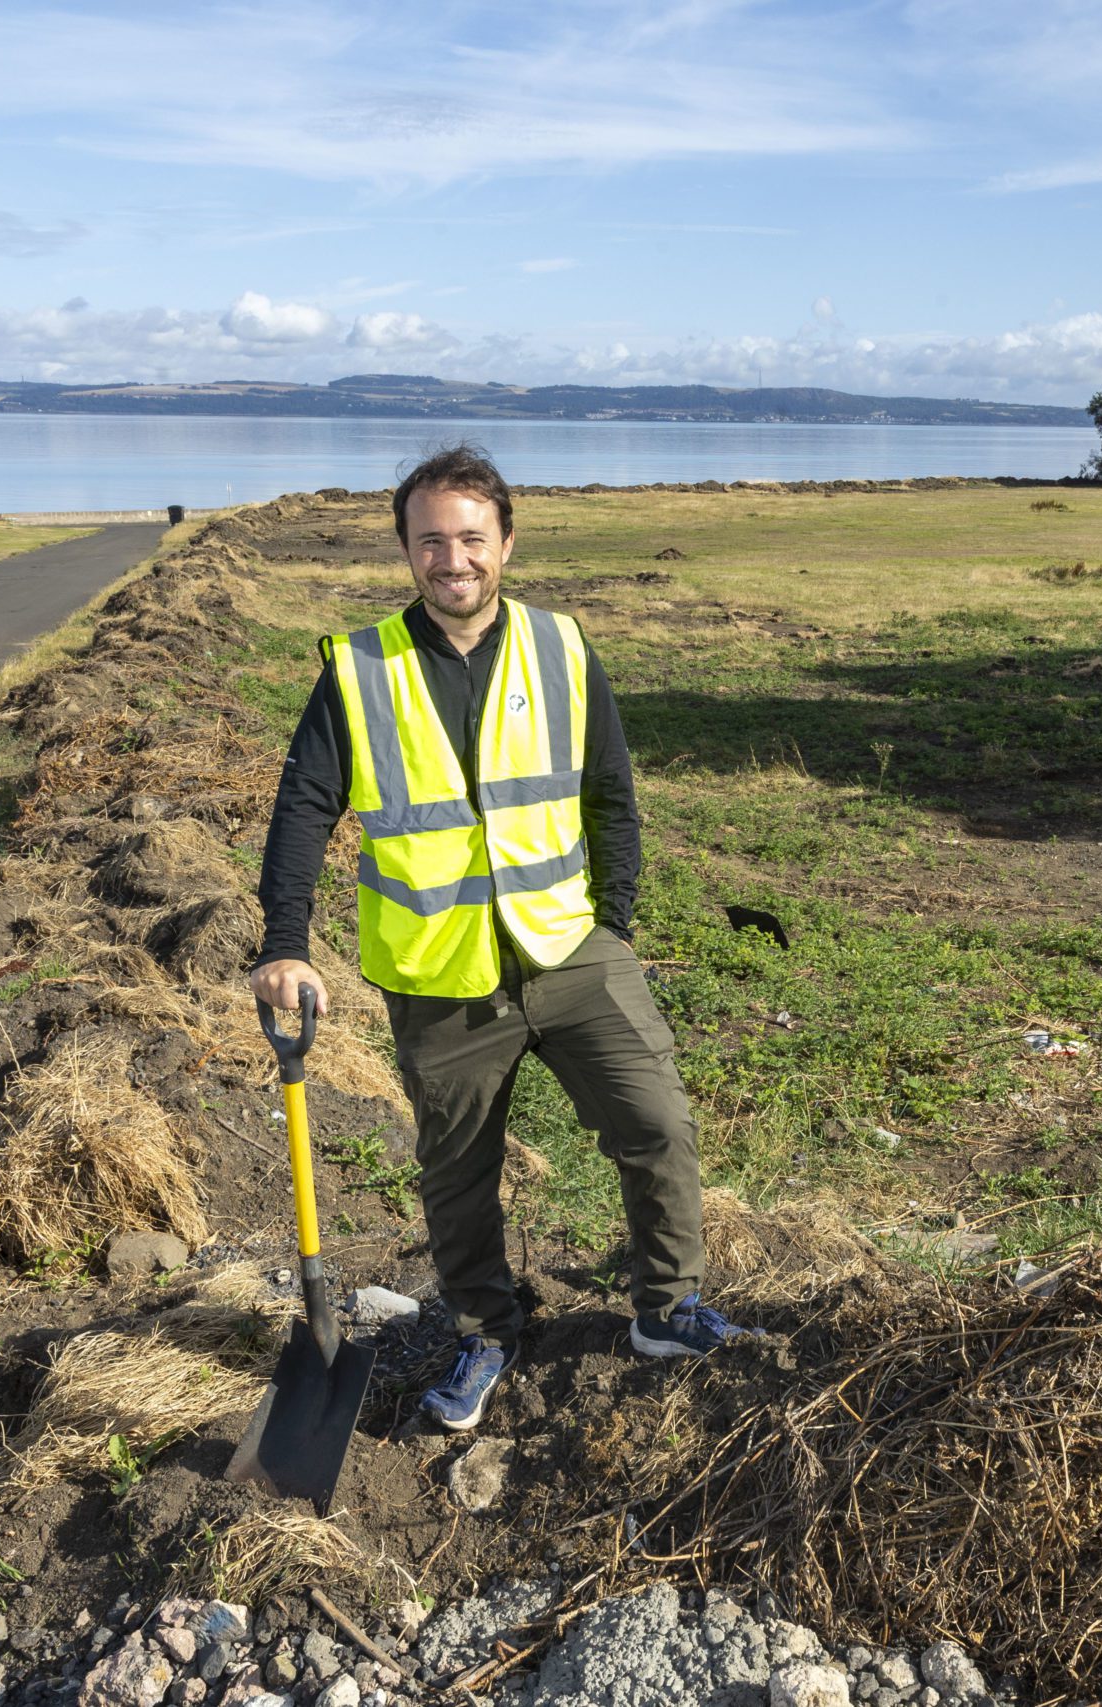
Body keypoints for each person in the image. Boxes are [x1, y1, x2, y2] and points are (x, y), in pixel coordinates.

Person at [250, 443, 747, 1433]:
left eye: (471, 538)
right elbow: (303, 807)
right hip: (440, 974)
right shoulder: (359, 670)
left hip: (570, 949)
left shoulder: (560, 648)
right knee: (459, 1175)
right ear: (405, 550)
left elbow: (611, 794)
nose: (452, 559)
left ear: (506, 543)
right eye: (430, 540)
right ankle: (486, 1331)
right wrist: (283, 939)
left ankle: (665, 1310)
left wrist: (615, 921)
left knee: (655, 1124)